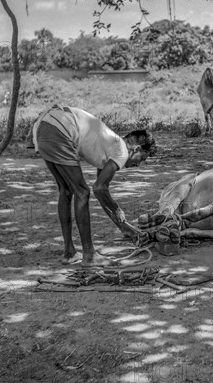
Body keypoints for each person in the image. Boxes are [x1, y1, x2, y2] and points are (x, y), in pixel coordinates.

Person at [30, 105, 157, 266]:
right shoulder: (122, 151)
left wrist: (125, 227)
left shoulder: (110, 143)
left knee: (67, 190)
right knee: (82, 192)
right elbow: (99, 188)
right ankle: (89, 255)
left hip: (45, 126)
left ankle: (69, 252)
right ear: (137, 149)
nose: (139, 164)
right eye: (143, 158)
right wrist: (117, 209)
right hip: (61, 129)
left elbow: (101, 191)